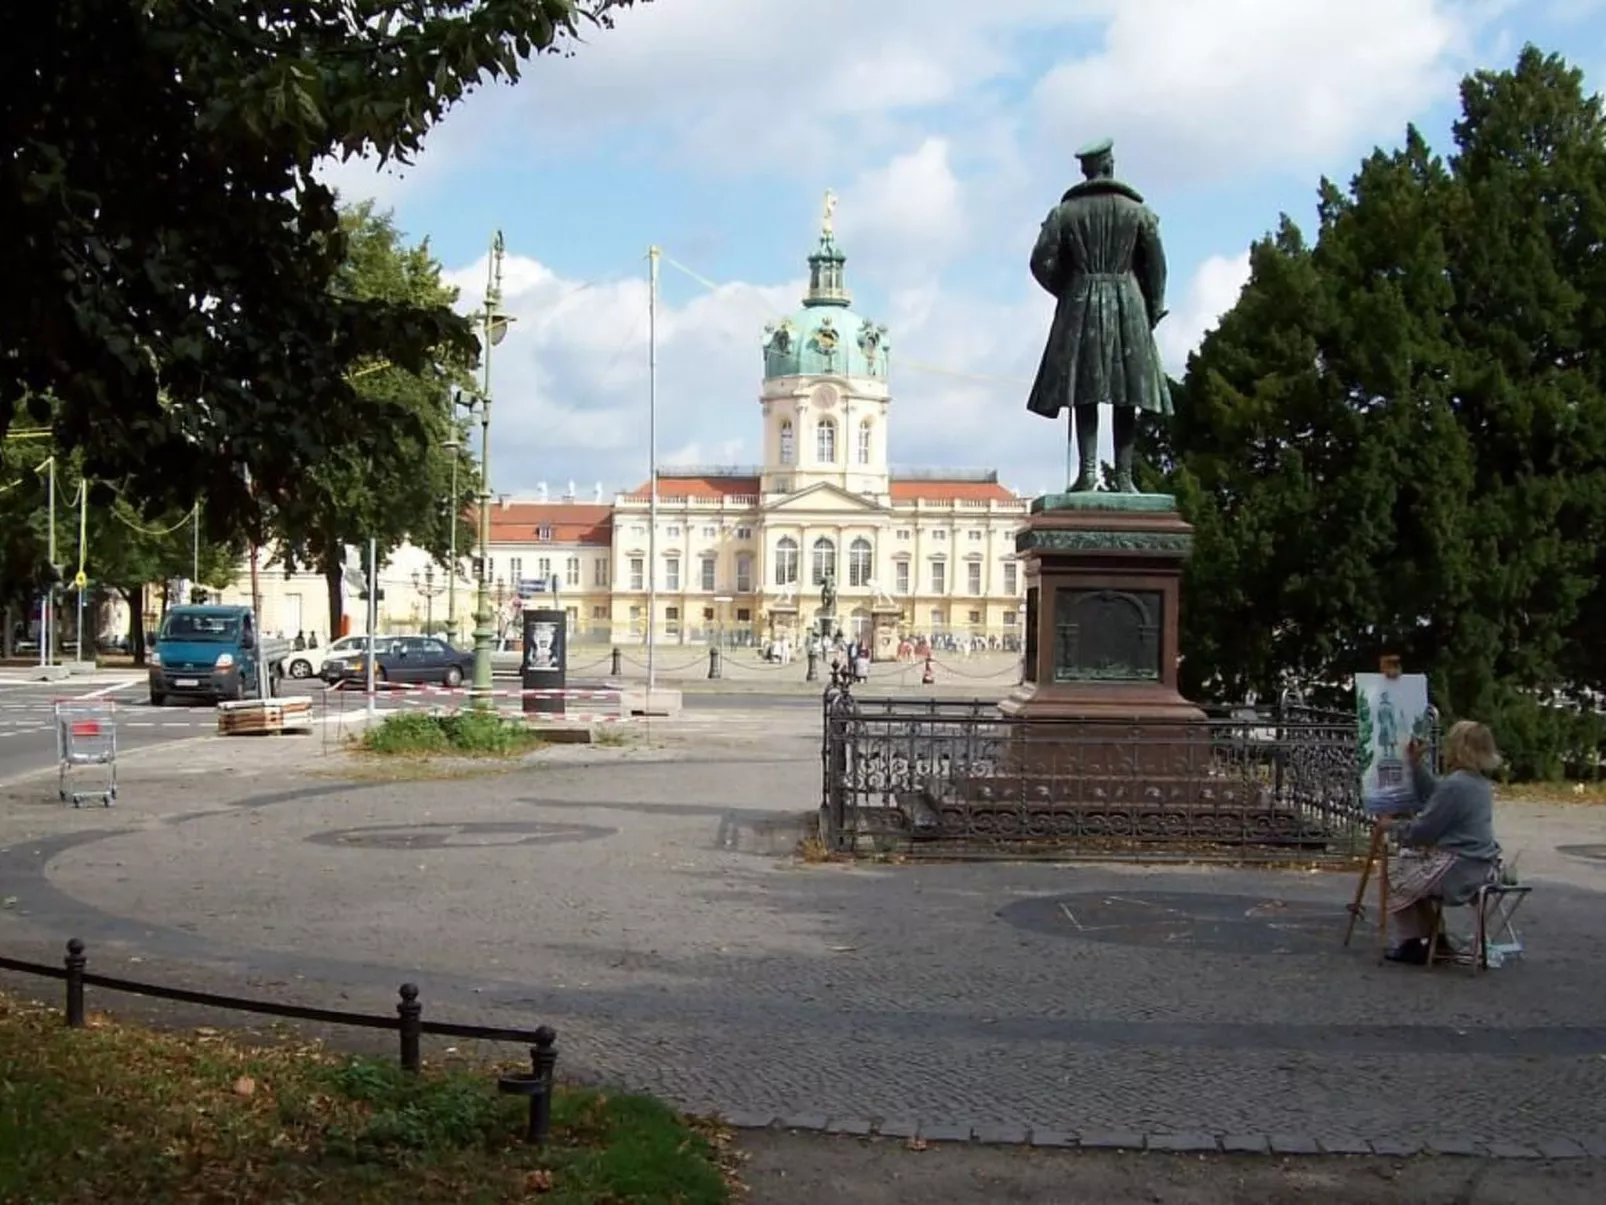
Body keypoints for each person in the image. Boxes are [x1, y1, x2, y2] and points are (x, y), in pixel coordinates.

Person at [1379, 720, 1503, 965]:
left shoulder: (1457, 785)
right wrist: (1416, 765)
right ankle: (1437, 938)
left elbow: (1424, 830)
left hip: (1456, 872)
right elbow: (1436, 793)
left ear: (1460, 748)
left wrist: (1391, 827)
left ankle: (1413, 942)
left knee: (1394, 871)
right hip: (1480, 867)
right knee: (1413, 869)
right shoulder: (1478, 783)